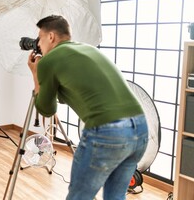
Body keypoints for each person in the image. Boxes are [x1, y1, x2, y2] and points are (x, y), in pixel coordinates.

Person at [27, 15, 148, 200]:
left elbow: (46, 109)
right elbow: (70, 95)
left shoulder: (49, 61)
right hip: (140, 129)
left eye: (40, 38)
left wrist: (36, 74)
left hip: (108, 132)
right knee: (115, 196)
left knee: (79, 197)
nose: (39, 44)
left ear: (51, 36)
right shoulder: (88, 50)